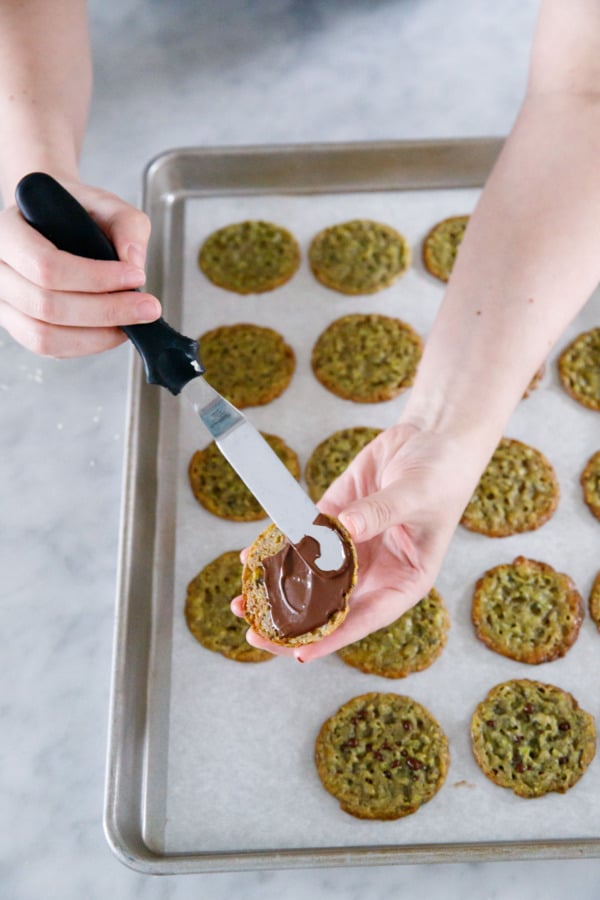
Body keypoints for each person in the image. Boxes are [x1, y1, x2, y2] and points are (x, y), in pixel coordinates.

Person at [0, 0, 598, 662]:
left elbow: (586, 91)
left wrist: (441, 433)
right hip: (149, 75)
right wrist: (32, 166)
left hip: (425, 65)